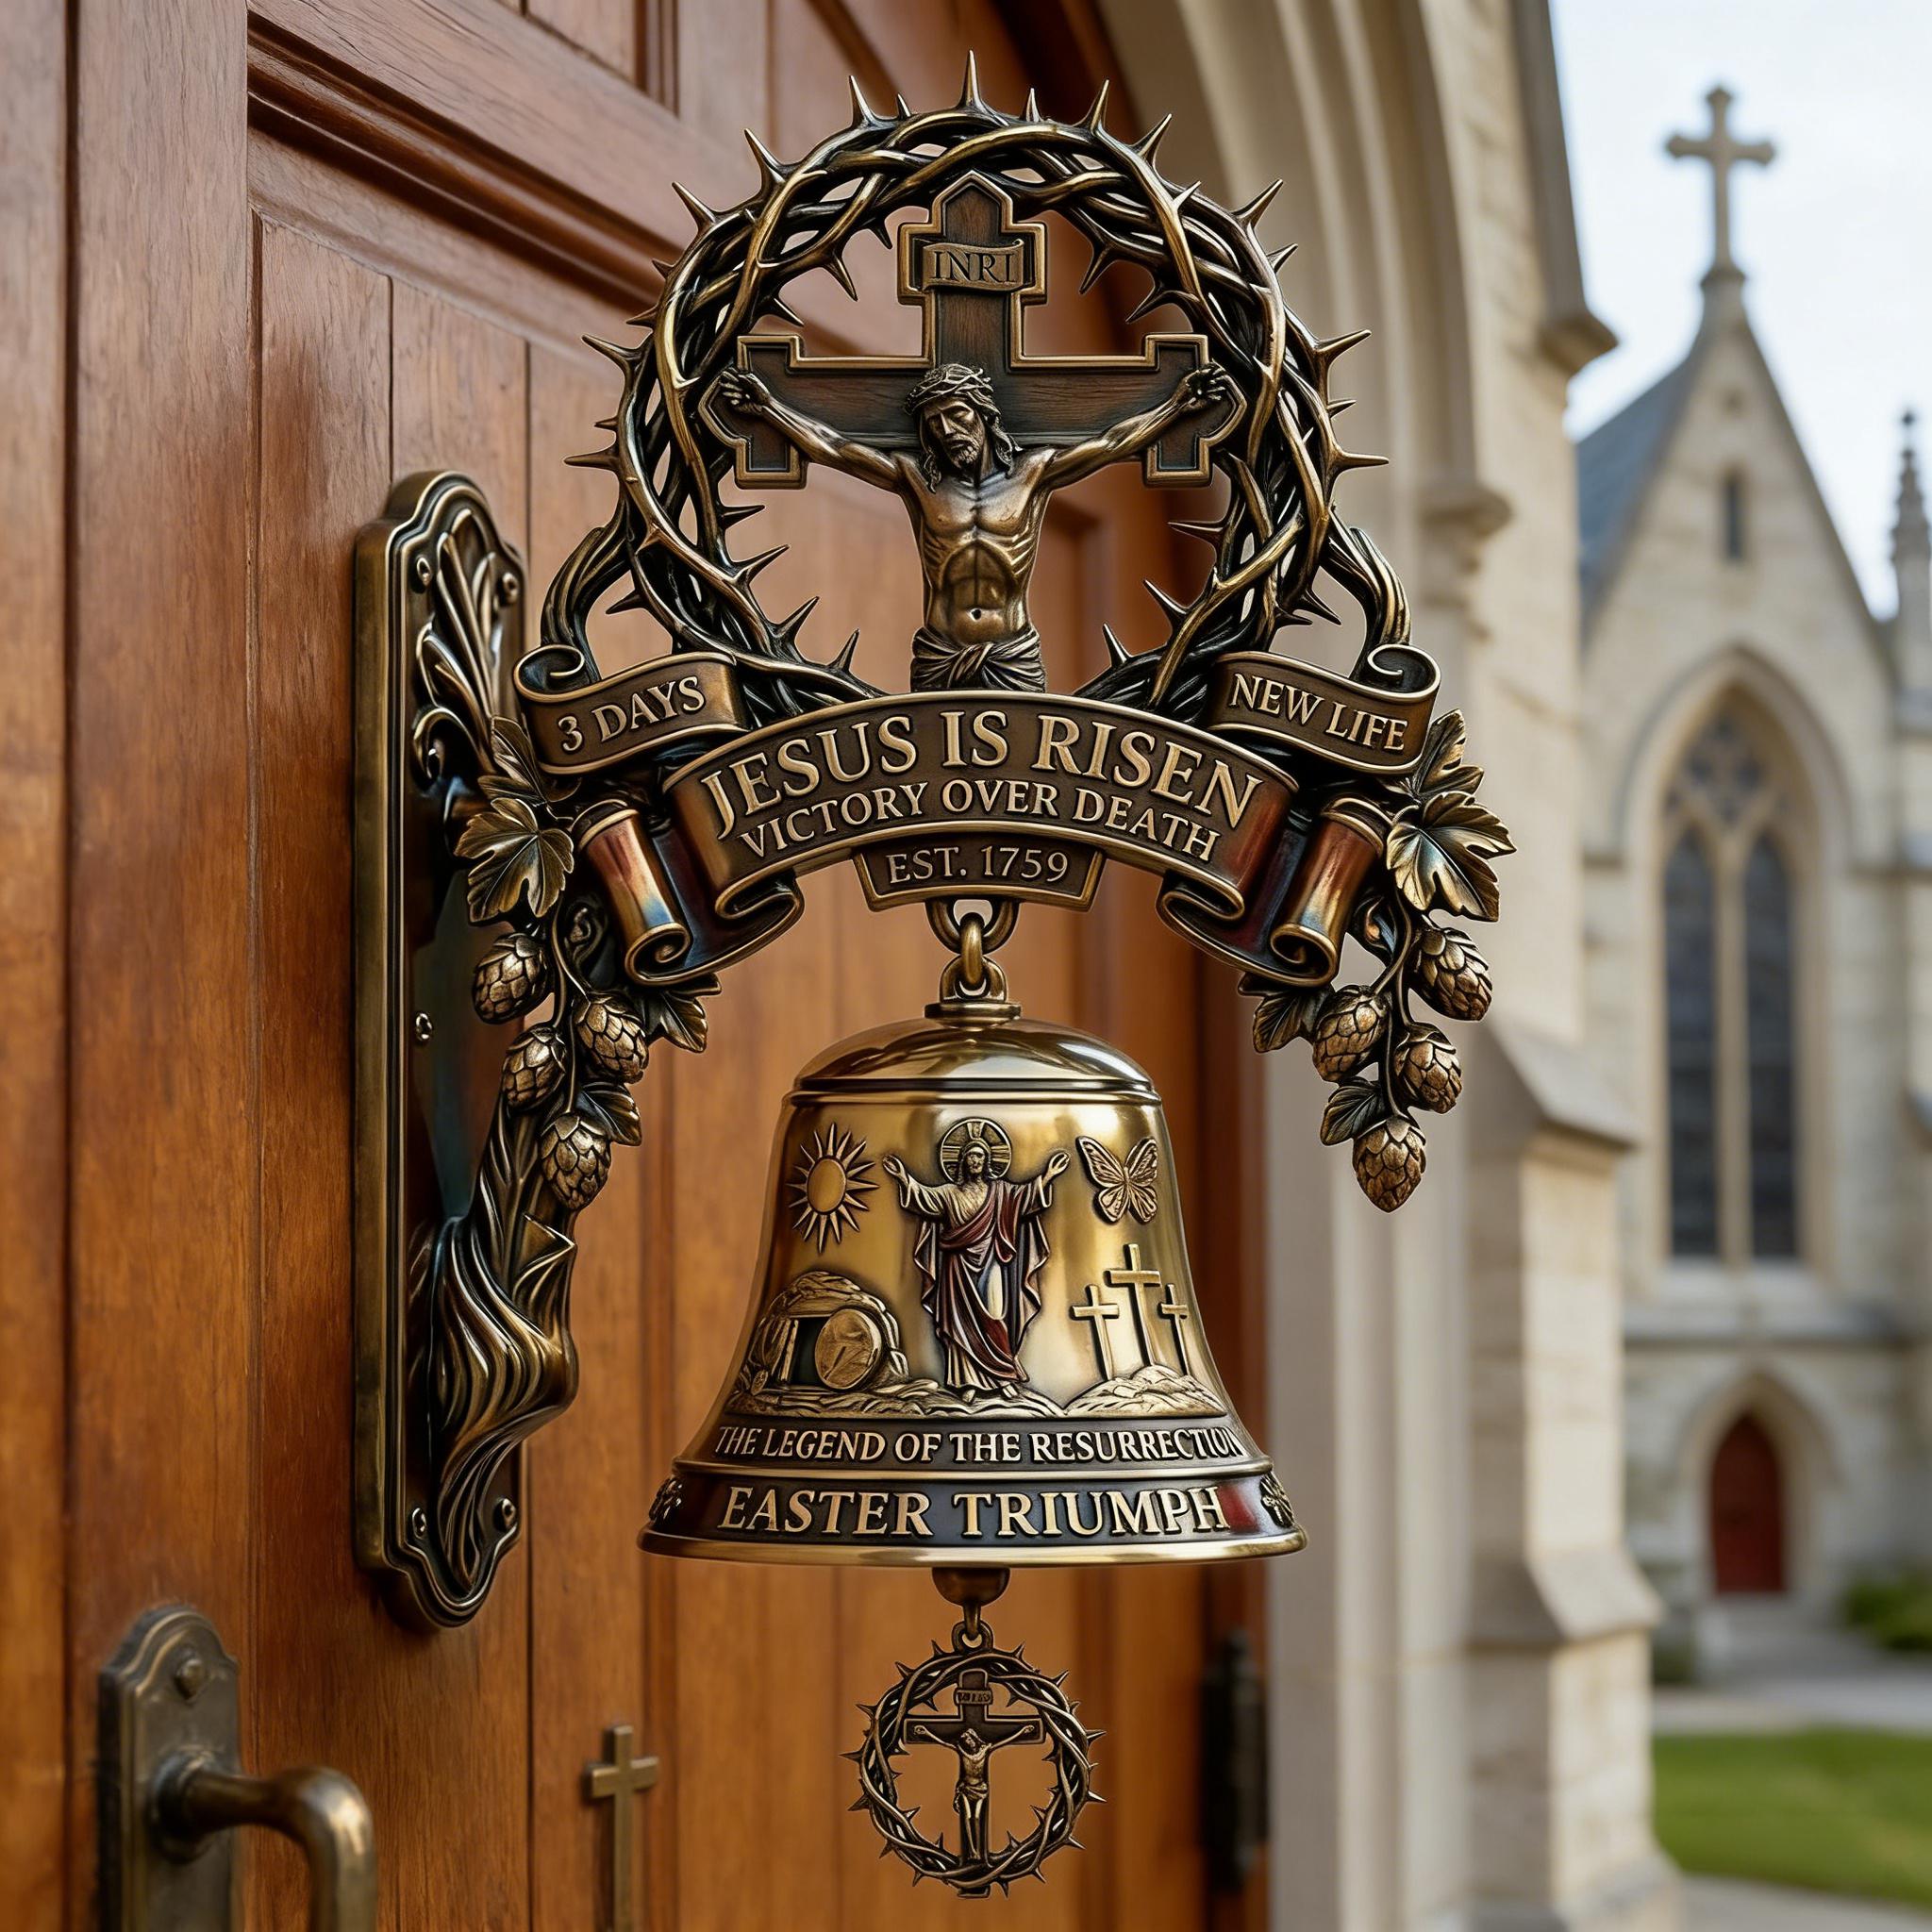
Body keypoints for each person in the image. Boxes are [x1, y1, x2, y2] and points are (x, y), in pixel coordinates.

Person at [715, 358, 1232, 690]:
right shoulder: (917, 478)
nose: (945, 432)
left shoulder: (1034, 473)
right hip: (941, 653)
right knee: (932, 790)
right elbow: (834, 447)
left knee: (1026, 786)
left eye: (957, 416)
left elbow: (1115, 442)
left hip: (1013, 653)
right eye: (934, 424)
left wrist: (1178, 404)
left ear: (984, 416)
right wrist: (769, 409)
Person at [883, 1125, 1068, 1391]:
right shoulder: (949, 1193)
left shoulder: (1001, 1192)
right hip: (957, 1268)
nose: (976, 1161)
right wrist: (904, 1179)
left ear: (987, 1161)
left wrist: (1047, 1177)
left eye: (981, 1156)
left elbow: (1023, 1197)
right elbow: (924, 1197)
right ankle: (967, 1381)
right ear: (963, 1161)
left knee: (995, 1314)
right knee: (961, 1324)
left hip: (992, 1261)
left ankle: (1002, 1376)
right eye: (971, 1156)